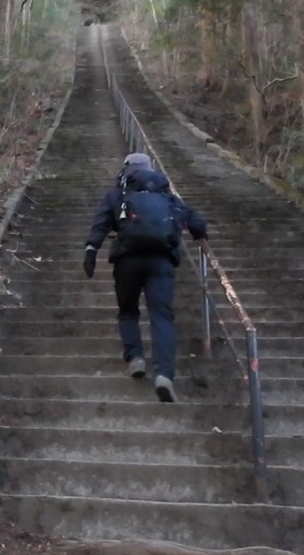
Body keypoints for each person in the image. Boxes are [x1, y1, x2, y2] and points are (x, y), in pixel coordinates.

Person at [82, 152, 209, 403]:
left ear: (127, 170)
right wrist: (199, 233)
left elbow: (100, 225)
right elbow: (196, 221)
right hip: (161, 261)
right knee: (162, 316)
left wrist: (91, 250)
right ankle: (164, 375)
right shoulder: (165, 195)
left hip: (127, 261)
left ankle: (136, 357)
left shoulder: (117, 195)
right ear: (150, 170)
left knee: (128, 311)